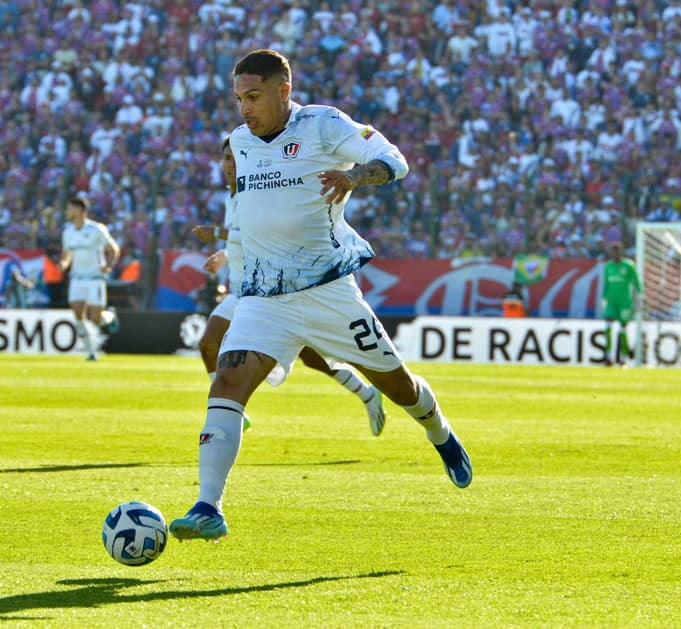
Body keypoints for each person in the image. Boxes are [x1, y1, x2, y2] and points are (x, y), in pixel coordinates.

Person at [170, 49, 472, 543]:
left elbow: (395, 161)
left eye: (253, 96)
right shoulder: (242, 143)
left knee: (399, 389)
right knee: (225, 385)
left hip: (329, 293)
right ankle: (208, 506)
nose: (243, 109)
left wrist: (354, 175)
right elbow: (260, 211)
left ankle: (439, 431)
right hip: (264, 298)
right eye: (238, 98)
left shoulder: (323, 124)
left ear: (283, 91)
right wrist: (231, 251)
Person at [192, 137, 387, 436]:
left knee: (313, 357)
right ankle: (233, 412)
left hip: (272, 292)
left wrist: (217, 234)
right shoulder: (232, 197)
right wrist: (225, 253)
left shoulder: (259, 192)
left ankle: (367, 393)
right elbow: (245, 238)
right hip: (242, 293)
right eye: (227, 159)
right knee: (208, 343)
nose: (231, 165)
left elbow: (262, 232)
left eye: (236, 158)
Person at [58, 196, 120, 361]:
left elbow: (113, 249)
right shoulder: (68, 232)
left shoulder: (96, 230)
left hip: (95, 278)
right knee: (78, 315)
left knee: (95, 319)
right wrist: (64, 264)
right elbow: (67, 254)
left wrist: (109, 266)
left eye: (70, 208)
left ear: (79, 211)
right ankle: (91, 352)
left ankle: (110, 316)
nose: (67, 212)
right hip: (77, 278)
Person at [601, 242, 642, 365]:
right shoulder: (608, 267)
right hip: (611, 302)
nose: (615, 254)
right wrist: (603, 299)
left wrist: (639, 299)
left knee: (623, 330)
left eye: (617, 251)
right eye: (613, 252)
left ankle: (623, 359)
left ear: (621, 252)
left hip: (625, 302)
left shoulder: (629, 265)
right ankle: (608, 357)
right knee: (608, 326)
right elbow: (606, 285)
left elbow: (637, 282)